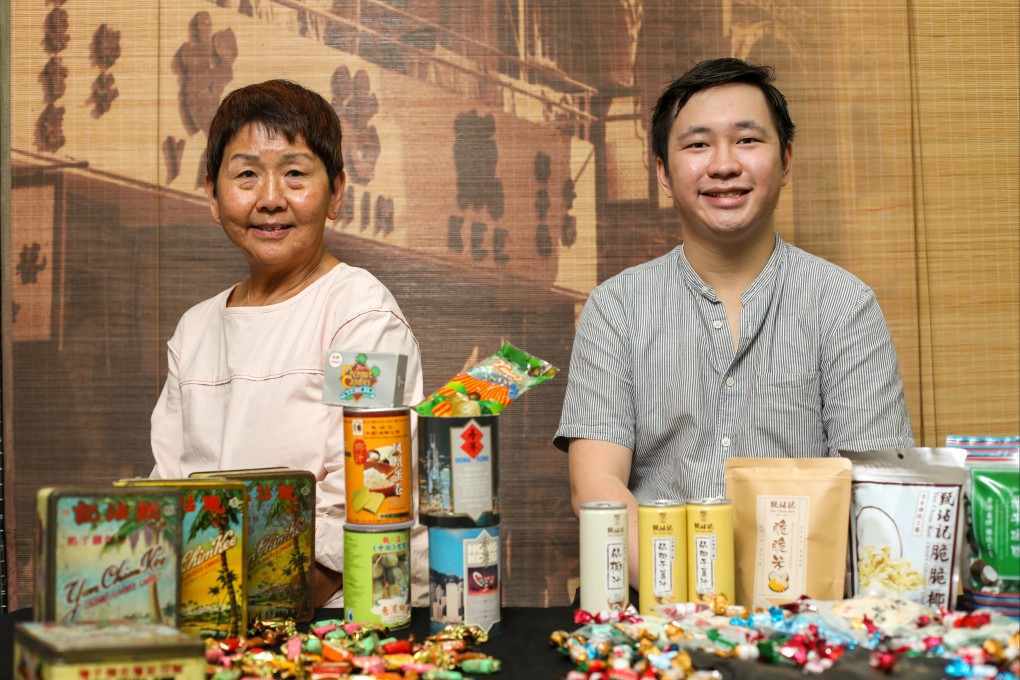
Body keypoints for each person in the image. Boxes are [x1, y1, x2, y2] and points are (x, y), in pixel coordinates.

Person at [554, 57, 914, 585]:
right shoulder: (617, 309)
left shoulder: (845, 306)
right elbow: (596, 488)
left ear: (786, 159)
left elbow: (876, 495)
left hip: (805, 620)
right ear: (662, 170)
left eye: (747, 140)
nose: (723, 165)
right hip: (658, 613)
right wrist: (693, 596)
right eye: (697, 144)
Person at [150, 79, 426, 607]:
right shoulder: (195, 328)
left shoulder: (359, 314)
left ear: (336, 193)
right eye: (247, 174)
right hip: (213, 605)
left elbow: (367, 491)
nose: (271, 199)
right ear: (212, 194)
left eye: (295, 174)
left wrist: (261, 618)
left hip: (335, 615)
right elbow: (169, 485)